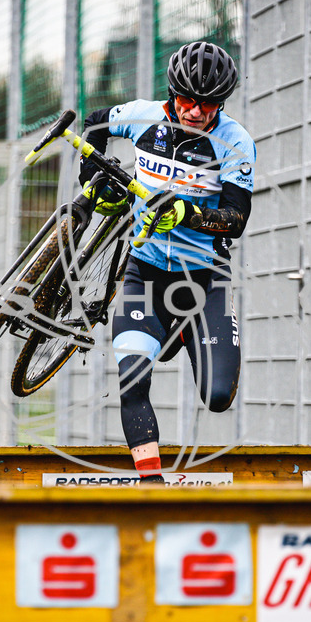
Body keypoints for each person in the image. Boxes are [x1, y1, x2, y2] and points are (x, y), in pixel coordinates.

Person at [78, 41, 256, 483]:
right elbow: (95, 123)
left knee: (216, 396)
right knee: (132, 378)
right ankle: (152, 488)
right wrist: (90, 177)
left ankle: (178, 330)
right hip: (145, 270)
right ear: (172, 93)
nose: (196, 111)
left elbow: (235, 219)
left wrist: (190, 213)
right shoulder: (144, 116)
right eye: (188, 100)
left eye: (209, 104)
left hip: (204, 280)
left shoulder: (235, 143)